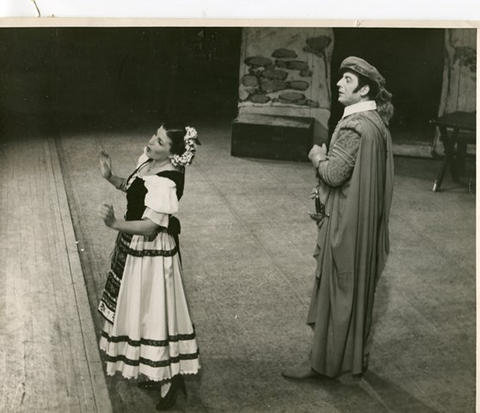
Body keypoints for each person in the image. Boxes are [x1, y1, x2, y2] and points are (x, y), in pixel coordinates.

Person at [282, 56, 395, 380]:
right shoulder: (376, 123)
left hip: (346, 224)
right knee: (355, 289)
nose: (338, 84)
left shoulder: (352, 126)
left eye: (347, 80)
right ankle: (350, 358)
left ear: (363, 89)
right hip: (364, 222)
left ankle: (321, 362)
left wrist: (318, 156)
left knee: (335, 287)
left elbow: (333, 174)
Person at [97, 122, 201, 411]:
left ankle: (170, 376)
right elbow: (133, 190)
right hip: (134, 246)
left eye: (159, 142)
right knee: (142, 310)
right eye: (154, 136)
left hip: (152, 250)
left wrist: (115, 223)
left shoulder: (167, 180)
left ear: (173, 155)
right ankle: (159, 371)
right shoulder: (150, 163)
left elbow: (151, 225)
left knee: (154, 311)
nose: (150, 142)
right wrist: (110, 177)